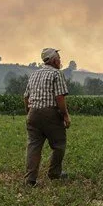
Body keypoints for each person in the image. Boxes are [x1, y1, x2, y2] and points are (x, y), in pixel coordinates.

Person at [23, 47, 71, 187]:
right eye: (59, 58)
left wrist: (29, 113)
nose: (60, 61)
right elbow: (59, 97)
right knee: (59, 145)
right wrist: (65, 116)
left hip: (33, 113)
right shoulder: (56, 74)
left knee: (33, 146)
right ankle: (54, 173)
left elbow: (26, 97)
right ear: (54, 60)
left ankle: (30, 180)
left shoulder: (34, 74)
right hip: (50, 113)